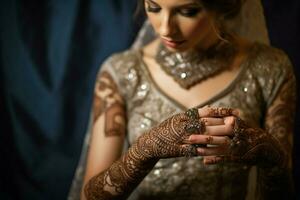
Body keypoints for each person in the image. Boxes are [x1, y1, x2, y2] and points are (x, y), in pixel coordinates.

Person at [71, 0, 297, 199]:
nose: (165, 28)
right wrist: (146, 150)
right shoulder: (122, 72)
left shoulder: (270, 68)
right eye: (154, 7)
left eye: (188, 11)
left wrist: (268, 153)